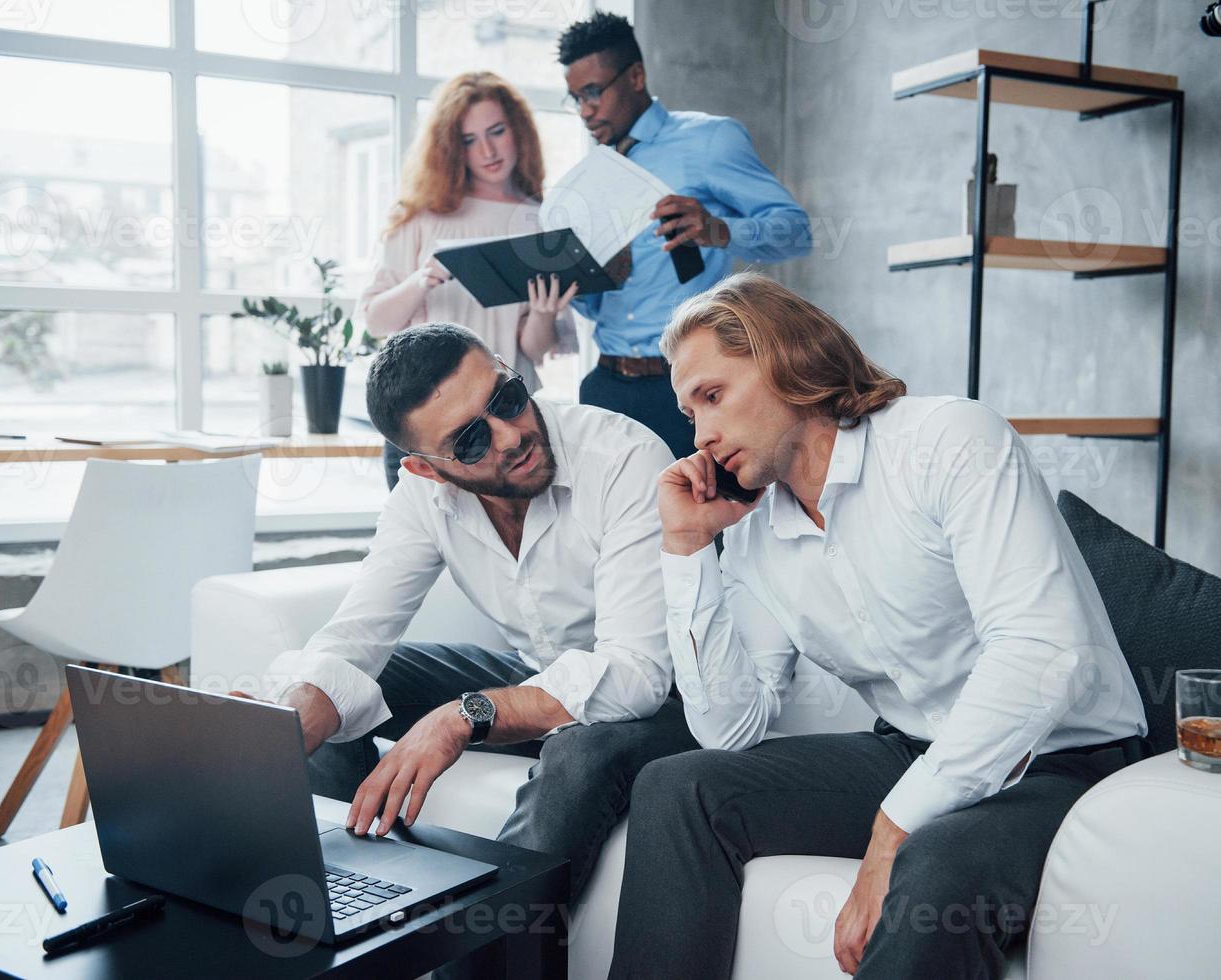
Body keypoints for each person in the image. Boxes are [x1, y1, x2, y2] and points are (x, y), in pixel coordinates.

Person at [607, 273, 1151, 979]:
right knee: (678, 786)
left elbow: (1043, 651)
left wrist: (892, 830)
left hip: (1064, 760)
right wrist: (686, 551)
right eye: (689, 414)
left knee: (936, 864)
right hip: (912, 748)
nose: (701, 436)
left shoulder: (948, 439)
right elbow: (730, 728)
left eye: (713, 396)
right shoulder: (751, 535)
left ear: (786, 361)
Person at [263, 323, 696, 910]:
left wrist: (462, 718)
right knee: (337, 688)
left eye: (508, 399)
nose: (512, 436)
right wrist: (279, 735)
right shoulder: (422, 497)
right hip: (544, 677)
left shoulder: (622, 457)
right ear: (427, 469)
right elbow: (356, 636)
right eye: (470, 442)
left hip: (677, 701)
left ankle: (479, 955)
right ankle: (343, 911)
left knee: (581, 751)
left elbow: (636, 673)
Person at [555, 13, 812, 461]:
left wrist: (719, 229)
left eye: (593, 92)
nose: (585, 110)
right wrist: (587, 280)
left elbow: (796, 233)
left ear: (636, 76)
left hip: (689, 389)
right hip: (606, 384)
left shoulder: (709, 140)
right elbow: (594, 307)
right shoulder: (589, 178)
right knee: (606, 528)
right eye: (575, 98)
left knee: (709, 522)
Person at [359, 71, 577, 490]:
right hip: (430, 424)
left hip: (506, 422)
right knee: (427, 549)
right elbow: (375, 321)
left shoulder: (539, 221)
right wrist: (422, 280)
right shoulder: (423, 215)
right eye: (470, 139)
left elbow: (530, 350)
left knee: (509, 546)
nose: (489, 150)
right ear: (450, 147)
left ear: (519, 132)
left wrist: (545, 312)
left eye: (497, 131)